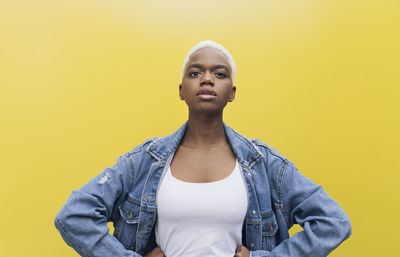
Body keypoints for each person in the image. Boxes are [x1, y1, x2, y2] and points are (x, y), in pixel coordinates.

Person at [55, 40, 352, 257]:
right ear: (181, 90)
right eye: (195, 73)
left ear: (231, 93)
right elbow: (74, 215)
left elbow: (333, 223)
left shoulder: (264, 164)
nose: (207, 78)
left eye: (219, 74)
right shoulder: (144, 162)